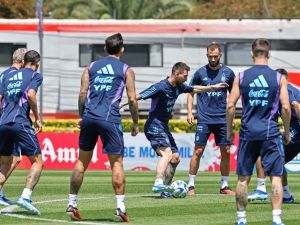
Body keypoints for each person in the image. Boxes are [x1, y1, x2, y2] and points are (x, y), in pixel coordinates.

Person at [121, 62, 228, 197]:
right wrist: (122, 103)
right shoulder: (160, 87)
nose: (186, 78)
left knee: (175, 158)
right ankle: (158, 181)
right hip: (154, 125)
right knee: (167, 154)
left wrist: (213, 87)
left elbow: (195, 89)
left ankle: (165, 190)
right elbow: (138, 96)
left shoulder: (179, 86)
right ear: (176, 74)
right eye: (184, 75)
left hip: (163, 126)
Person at [66, 33, 139, 222]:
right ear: (122, 50)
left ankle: (72, 203)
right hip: (110, 119)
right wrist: (136, 122)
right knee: (116, 163)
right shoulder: (126, 69)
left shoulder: (90, 67)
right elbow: (132, 99)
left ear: (105, 49)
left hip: (89, 117)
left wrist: (82, 116)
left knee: (81, 162)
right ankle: (120, 207)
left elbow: (82, 93)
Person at [227, 39, 291, 225]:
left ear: (251, 54)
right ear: (268, 54)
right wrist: (286, 131)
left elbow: (230, 105)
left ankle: (241, 219)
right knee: (276, 177)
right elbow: (286, 108)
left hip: (247, 133)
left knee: (243, 179)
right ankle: (277, 219)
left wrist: (230, 131)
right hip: (270, 133)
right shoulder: (279, 78)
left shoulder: (241, 77)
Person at [187, 43, 235, 196]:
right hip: (204, 118)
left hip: (222, 119)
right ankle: (191, 185)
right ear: (207, 55)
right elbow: (190, 92)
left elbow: (234, 95)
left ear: (220, 55)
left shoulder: (228, 72)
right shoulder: (200, 73)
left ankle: (224, 186)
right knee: (198, 150)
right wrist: (189, 112)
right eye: (210, 56)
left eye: (215, 56)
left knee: (226, 151)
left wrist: (231, 116)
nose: (213, 58)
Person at [0, 50, 43, 215]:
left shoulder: (9, 76)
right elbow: (31, 95)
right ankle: (25, 197)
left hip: (3, 123)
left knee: (5, 164)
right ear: (37, 62)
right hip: (20, 123)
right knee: (37, 161)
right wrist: (37, 117)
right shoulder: (34, 76)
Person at [248, 68, 300, 204]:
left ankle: (261, 189)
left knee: (263, 152)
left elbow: (294, 106)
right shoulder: (291, 89)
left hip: (297, 131)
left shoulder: (287, 90)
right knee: (278, 161)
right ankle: (287, 196)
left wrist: (288, 132)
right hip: (296, 130)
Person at [0, 48, 26, 206]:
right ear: (23, 62)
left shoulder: (3, 74)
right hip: (10, 120)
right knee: (15, 159)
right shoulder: (18, 76)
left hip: (2, 120)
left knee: (3, 160)